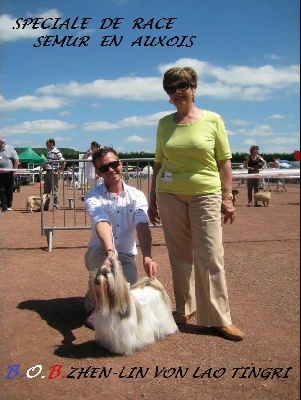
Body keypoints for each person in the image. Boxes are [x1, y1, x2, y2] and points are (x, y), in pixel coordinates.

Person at [148, 66, 244, 341]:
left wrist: (228, 198)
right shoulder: (164, 124)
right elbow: (157, 164)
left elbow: (224, 162)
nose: (176, 92)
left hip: (206, 194)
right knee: (179, 255)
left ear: (193, 87)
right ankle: (184, 307)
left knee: (210, 255)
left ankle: (218, 317)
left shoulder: (213, 120)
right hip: (169, 195)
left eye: (181, 86)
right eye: (170, 88)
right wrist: (153, 199)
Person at [84, 146, 158, 328]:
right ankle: (94, 299)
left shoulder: (137, 195)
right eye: (103, 168)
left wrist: (147, 256)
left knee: (127, 299)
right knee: (106, 290)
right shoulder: (93, 196)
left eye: (113, 164)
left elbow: (142, 224)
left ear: (120, 164)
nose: (110, 170)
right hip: (101, 251)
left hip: (126, 254)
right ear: (98, 173)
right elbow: (101, 221)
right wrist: (110, 253)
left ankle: (99, 292)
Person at [43, 138, 65, 210]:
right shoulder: (49, 152)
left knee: (54, 190)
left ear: (52, 143)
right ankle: (45, 206)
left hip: (53, 172)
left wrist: (60, 170)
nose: (46, 145)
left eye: (47, 144)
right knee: (46, 190)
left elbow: (63, 161)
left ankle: (56, 206)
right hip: (48, 172)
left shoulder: (56, 151)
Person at [0, 136, 19, 211]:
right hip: (0, 173)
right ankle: (3, 205)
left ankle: (9, 204)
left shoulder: (10, 149)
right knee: (1, 189)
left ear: (2, 143)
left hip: (9, 173)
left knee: (9, 189)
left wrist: (15, 170)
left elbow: (16, 160)